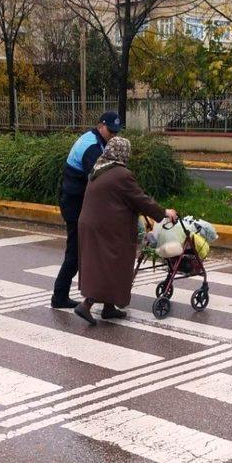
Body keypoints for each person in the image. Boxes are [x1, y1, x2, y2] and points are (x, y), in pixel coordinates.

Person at [74, 136, 177, 325]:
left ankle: (109, 307)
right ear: (123, 152)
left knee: (102, 264)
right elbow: (140, 199)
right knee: (110, 265)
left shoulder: (99, 168)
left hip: (92, 225)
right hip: (108, 228)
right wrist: (164, 213)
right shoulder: (120, 173)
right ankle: (86, 305)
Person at [51, 111, 122, 309]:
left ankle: (95, 298)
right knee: (75, 252)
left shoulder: (95, 139)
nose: (113, 135)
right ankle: (59, 296)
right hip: (75, 205)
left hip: (76, 201)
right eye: (110, 131)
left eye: (116, 132)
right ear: (101, 126)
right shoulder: (91, 146)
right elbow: (99, 178)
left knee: (81, 252)